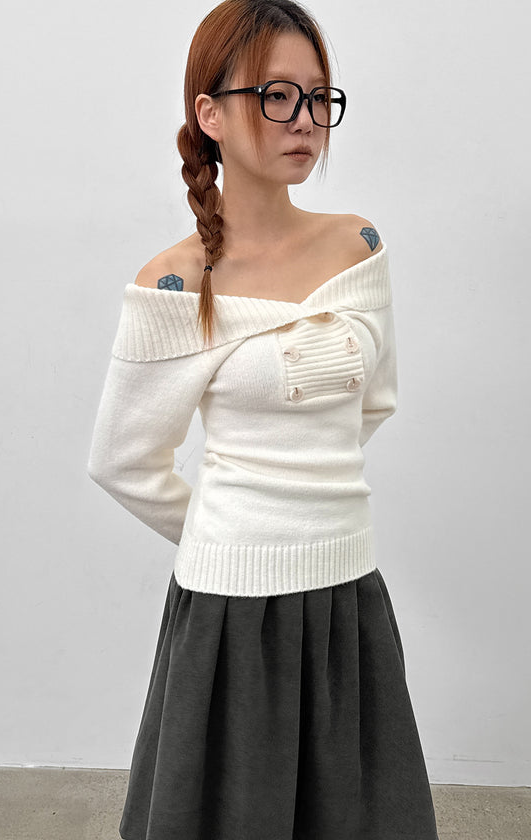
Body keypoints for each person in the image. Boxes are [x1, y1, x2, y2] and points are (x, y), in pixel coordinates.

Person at [87, 1, 440, 838]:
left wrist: (304, 509)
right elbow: (122, 460)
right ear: (210, 114)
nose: (305, 119)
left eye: (319, 97)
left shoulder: (358, 247)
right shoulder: (176, 284)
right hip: (231, 610)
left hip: (349, 589)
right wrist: (235, 529)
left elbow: (372, 400)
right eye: (277, 95)